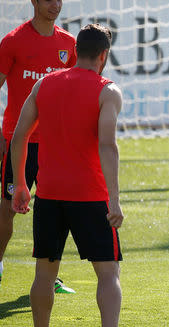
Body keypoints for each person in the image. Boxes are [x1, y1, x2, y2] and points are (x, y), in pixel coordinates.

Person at [11, 23, 124, 327]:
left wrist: (21, 183)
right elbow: (108, 146)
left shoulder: (44, 84)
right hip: (90, 196)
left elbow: (20, 136)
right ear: (104, 55)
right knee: (108, 273)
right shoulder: (108, 90)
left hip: (48, 195)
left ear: (74, 51)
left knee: (44, 275)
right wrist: (114, 200)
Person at [0, 0, 76, 293]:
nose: (55, 4)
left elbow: (75, 88)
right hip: (19, 142)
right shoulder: (13, 42)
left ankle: (48, 275)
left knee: (56, 210)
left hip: (55, 146)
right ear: (33, 1)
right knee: (7, 210)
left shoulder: (69, 43)